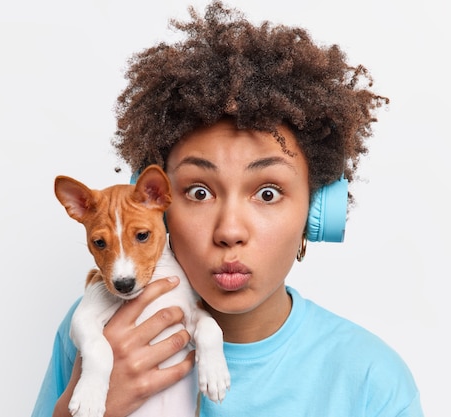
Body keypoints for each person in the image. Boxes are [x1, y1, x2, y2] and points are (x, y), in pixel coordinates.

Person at [32, 2, 424, 416]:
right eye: (199, 192)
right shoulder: (98, 332)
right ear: (154, 204)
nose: (230, 231)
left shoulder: (370, 380)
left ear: (315, 213)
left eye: (268, 193)